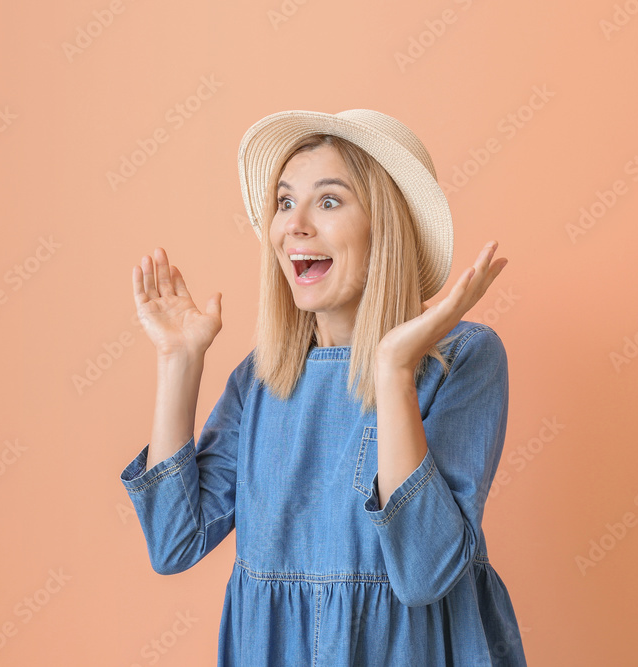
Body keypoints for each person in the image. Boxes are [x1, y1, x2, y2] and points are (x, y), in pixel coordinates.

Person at [119, 109, 528, 666]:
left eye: (329, 201)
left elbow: (424, 573)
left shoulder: (463, 359)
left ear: (384, 227)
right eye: (285, 202)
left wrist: (393, 370)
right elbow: (173, 543)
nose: (294, 225)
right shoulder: (261, 379)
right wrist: (179, 360)